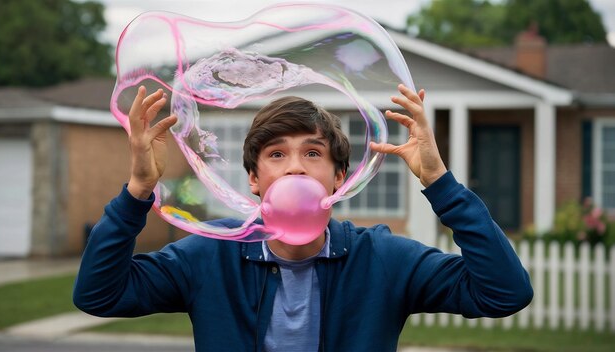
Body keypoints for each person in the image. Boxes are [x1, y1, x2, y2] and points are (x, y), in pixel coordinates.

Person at [73, 84, 533, 351]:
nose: (295, 166)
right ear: (254, 179)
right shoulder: (210, 255)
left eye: (312, 153)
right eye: (277, 154)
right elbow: (98, 294)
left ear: (338, 178)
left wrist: (439, 181)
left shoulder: (383, 259)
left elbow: (504, 293)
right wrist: (138, 191)